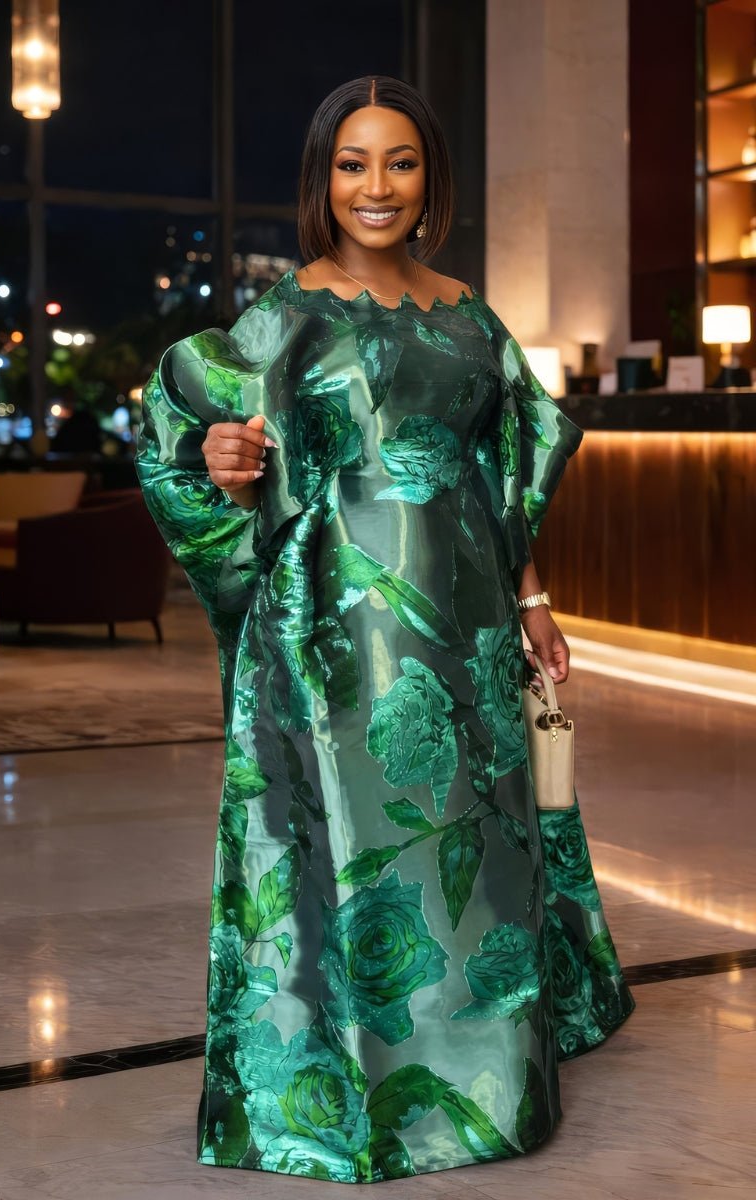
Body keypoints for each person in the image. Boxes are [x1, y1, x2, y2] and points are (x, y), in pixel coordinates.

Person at [136, 75, 634, 1184]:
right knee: (351, 845)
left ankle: (486, 1079)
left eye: (398, 162)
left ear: (428, 178)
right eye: (352, 164)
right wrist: (219, 466)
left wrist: (533, 600)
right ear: (322, 180)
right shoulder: (282, 317)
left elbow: (503, 479)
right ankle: (352, 1093)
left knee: (477, 839)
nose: (376, 186)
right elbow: (190, 438)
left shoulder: (468, 314)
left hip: (460, 621)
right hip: (328, 631)